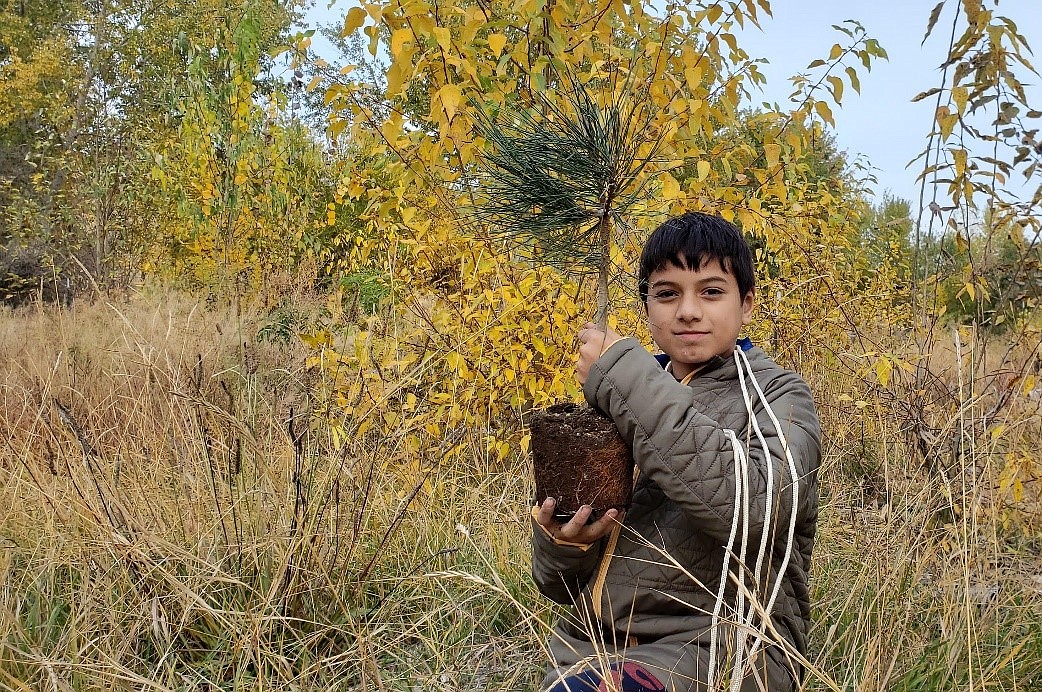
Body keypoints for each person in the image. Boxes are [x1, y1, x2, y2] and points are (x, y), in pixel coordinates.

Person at [531, 212, 821, 691]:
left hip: (724, 647)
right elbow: (555, 585)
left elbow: (756, 508)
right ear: (647, 305)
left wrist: (625, 377)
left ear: (746, 305)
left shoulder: (779, 396)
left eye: (711, 292)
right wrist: (566, 543)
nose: (688, 311)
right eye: (667, 293)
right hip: (586, 647)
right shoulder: (620, 399)